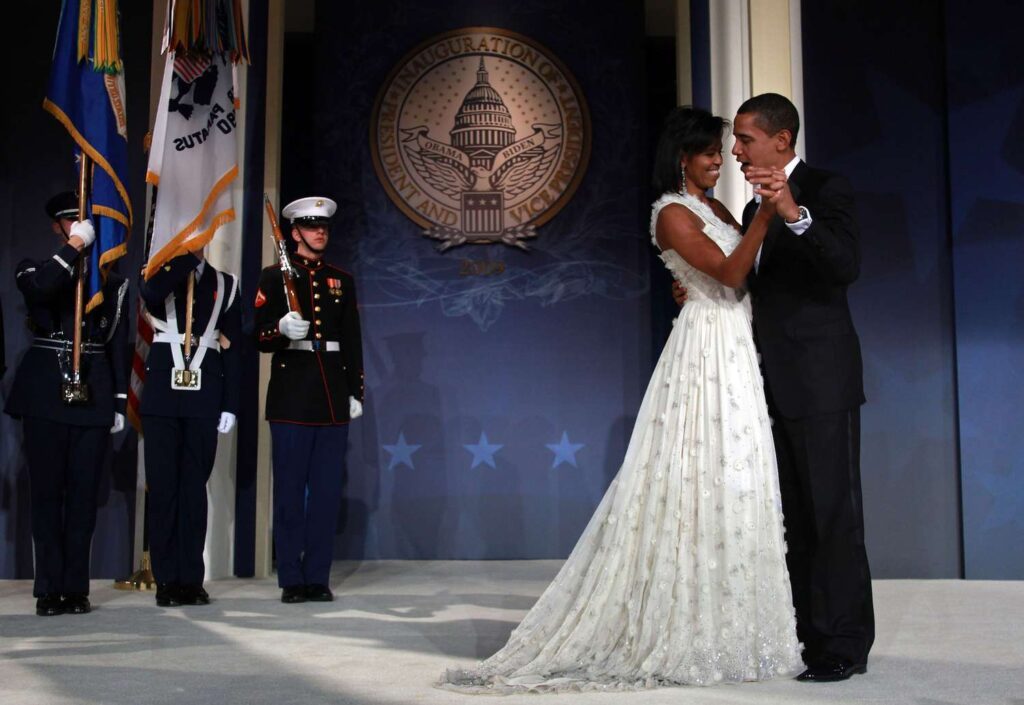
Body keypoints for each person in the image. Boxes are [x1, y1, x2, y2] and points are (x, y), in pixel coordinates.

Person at [439, 107, 802, 693]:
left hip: (736, 348)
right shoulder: (672, 214)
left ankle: (736, 622)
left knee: (736, 475)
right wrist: (764, 214)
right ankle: (677, 620)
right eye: (710, 151)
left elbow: (744, 276)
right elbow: (732, 275)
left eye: (721, 150)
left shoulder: (715, 209)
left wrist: (755, 225)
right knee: (696, 477)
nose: (719, 160)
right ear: (682, 156)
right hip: (704, 354)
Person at [726, 93, 872, 682]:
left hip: (821, 381)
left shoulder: (827, 189)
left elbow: (843, 266)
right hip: (773, 381)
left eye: (745, 138)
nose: (736, 150)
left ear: (781, 140)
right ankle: (810, 640)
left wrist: (793, 211)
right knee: (797, 518)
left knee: (833, 514)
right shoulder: (750, 206)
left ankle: (844, 645)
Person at [5, 191, 128, 616]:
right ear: (58, 227)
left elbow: (116, 345)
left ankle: (75, 587)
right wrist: (73, 249)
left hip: (91, 392)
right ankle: (48, 587)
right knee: (46, 494)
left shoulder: (112, 285)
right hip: (45, 394)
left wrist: (116, 402)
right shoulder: (32, 268)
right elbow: (42, 291)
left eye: (83, 223)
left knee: (81, 496)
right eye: (69, 222)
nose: (77, 227)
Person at [254, 196, 364, 604]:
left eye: (325, 227)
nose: (321, 232)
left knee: (324, 494)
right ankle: (291, 578)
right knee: (288, 494)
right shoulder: (273, 277)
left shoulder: (341, 279)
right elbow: (259, 337)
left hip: (332, 396)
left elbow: (351, 340)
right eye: (313, 226)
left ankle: (317, 576)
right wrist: (281, 328)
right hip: (291, 398)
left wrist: (355, 391)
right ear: (294, 232)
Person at [138, 248, 240, 607]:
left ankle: (191, 580)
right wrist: (182, 259)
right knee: (164, 489)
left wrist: (230, 403)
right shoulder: (157, 274)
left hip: (204, 394)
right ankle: (166, 580)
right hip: (163, 394)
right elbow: (150, 296)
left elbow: (234, 347)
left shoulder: (227, 284)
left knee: (194, 490)